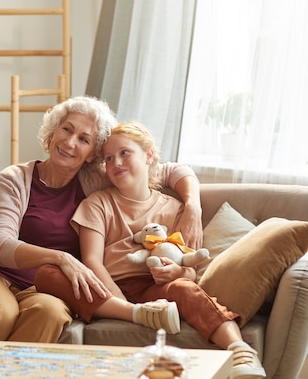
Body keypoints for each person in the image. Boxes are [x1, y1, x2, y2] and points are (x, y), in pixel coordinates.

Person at [0, 96, 204, 343]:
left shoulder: (95, 180)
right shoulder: (15, 179)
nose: (70, 143)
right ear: (52, 132)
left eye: (84, 139)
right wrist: (60, 257)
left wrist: (192, 206)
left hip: (47, 284)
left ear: (92, 154)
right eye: (66, 130)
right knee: (0, 313)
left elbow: (170, 169)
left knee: (50, 314)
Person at [35, 122, 265, 378]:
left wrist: (177, 272)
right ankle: (138, 314)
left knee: (186, 289)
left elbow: (189, 270)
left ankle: (240, 350)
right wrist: (118, 300)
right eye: (109, 159)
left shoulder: (174, 208)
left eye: (124, 153)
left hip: (155, 289)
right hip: (106, 290)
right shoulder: (97, 203)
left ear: (148, 155)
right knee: (47, 273)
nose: (116, 163)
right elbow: (91, 260)